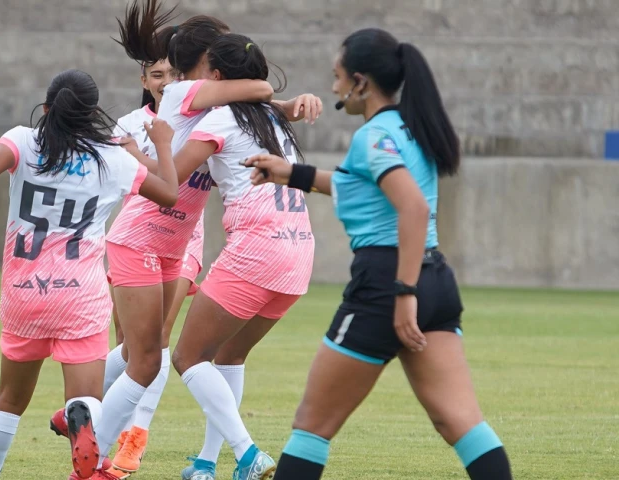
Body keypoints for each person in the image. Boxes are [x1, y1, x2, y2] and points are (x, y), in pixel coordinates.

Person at [243, 28, 514, 480]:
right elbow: (361, 187)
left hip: (388, 284)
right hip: (436, 281)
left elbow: (412, 207)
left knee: (311, 427)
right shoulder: (409, 127)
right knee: (463, 425)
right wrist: (290, 173)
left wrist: (402, 293)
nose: (333, 88)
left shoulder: (373, 137)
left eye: (337, 77)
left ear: (361, 83)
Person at [0, 69, 179, 480]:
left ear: (49, 107)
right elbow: (169, 195)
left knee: (9, 398)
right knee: (89, 400)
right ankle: (83, 416)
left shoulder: (23, 140)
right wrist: (161, 145)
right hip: (80, 296)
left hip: (24, 291)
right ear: (91, 113)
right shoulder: (113, 159)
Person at [136, 33, 318, 480]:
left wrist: (134, 152)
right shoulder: (273, 122)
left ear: (216, 76)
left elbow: (170, 181)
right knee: (230, 356)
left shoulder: (218, 119)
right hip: (299, 252)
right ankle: (206, 462)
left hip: (257, 249)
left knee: (186, 357)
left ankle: (248, 452)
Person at [48, 57, 207, 477]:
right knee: (135, 345)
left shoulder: (205, 115)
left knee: (156, 340)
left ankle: (131, 439)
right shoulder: (131, 124)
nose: (166, 82)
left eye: (175, 75)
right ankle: (85, 411)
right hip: (139, 236)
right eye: (157, 75)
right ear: (144, 80)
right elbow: (137, 184)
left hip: (186, 239)